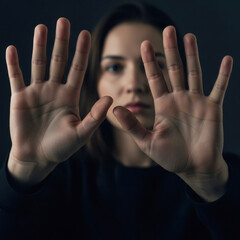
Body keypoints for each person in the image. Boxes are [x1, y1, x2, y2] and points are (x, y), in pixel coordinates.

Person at [0, 2, 239, 239]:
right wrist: (25, 168)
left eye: (155, 64)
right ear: (94, 82)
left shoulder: (223, 175)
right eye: (115, 67)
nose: (134, 84)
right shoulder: (60, 178)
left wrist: (210, 183)